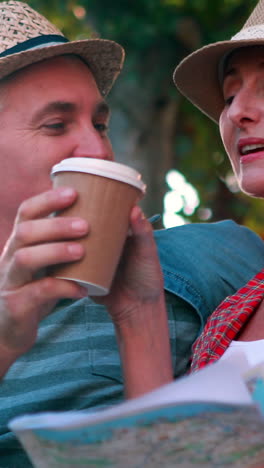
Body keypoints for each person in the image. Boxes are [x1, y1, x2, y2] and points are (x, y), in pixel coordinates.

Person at [0, 1, 264, 466]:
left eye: (100, 124)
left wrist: (140, 315)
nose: (99, 148)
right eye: (57, 124)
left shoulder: (209, 262)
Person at [173, 0, 264, 373]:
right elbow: (171, 432)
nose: (236, 111)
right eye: (229, 96)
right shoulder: (230, 314)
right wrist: (138, 308)